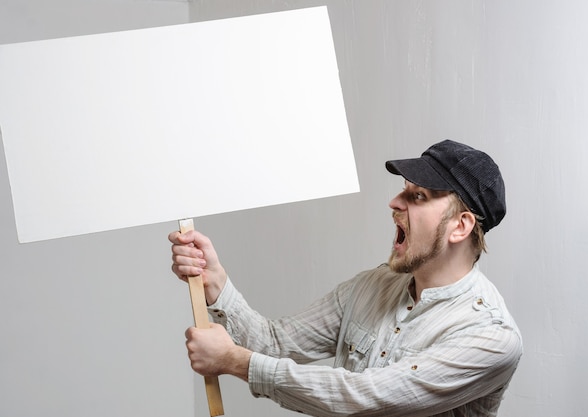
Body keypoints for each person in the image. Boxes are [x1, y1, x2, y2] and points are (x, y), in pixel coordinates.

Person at [169, 139, 522, 417]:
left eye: (418, 196)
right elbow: (273, 343)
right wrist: (215, 283)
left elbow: (364, 400)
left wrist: (233, 361)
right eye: (403, 189)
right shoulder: (373, 286)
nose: (395, 202)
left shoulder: (490, 337)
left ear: (460, 227)